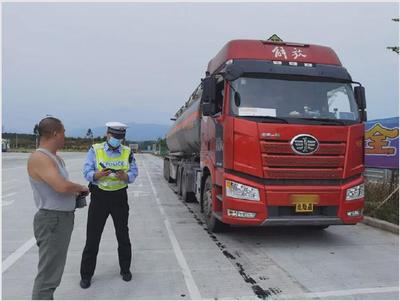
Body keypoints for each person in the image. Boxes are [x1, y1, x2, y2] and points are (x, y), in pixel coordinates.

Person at [27, 117, 89, 300]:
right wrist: (80, 187)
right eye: (63, 132)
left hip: (61, 219)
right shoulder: (40, 157)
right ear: (55, 133)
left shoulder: (56, 158)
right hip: (52, 220)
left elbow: (60, 188)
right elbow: (61, 186)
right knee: (48, 277)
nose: (65, 136)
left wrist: (75, 194)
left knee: (53, 274)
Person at [80, 122, 138, 289]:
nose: (117, 140)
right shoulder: (95, 150)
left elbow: (134, 172)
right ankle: (86, 275)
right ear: (107, 135)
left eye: (120, 138)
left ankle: (125, 270)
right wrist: (96, 175)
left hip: (120, 198)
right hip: (99, 198)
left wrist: (126, 177)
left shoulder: (127, 152)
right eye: (114, 137)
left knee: (123, 235)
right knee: (92, 237)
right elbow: (86, 171)